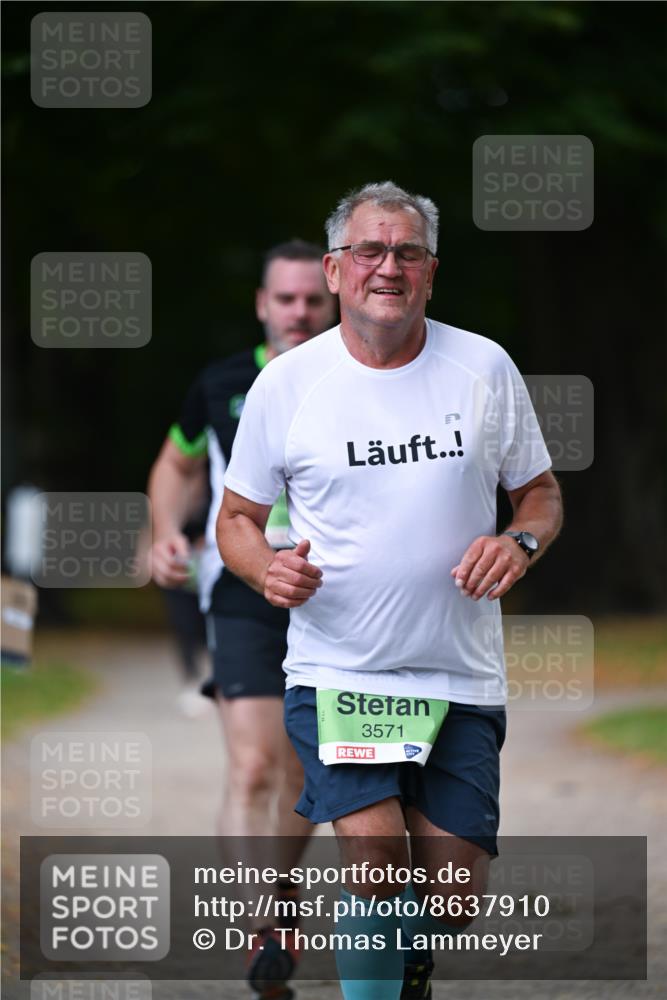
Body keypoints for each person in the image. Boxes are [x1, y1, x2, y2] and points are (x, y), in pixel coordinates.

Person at [216, 182, 563, 1000]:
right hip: (341, 669)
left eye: (406, 252)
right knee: (372, 858)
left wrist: (518, 541)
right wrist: (262, 565)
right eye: (369, 251)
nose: (388, 267)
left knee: (451, 898)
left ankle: (406, 959)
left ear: (430, 273)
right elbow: (236, 518)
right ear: (336, 269)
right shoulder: (288, 384)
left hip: (459, 672)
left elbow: (541, 495)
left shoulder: (481, 365)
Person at [148, 239, 337, 999]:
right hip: (241, 583)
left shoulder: (358, 380)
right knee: (253, 763)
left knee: (299, 771)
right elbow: (176, 462)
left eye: (310, 301)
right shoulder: (223, 381)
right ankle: (263, 927)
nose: (297, 313)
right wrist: (166, 529)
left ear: (331, 301)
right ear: (263, 304)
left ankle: (279, 894)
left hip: (333, 591)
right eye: (283, 300)